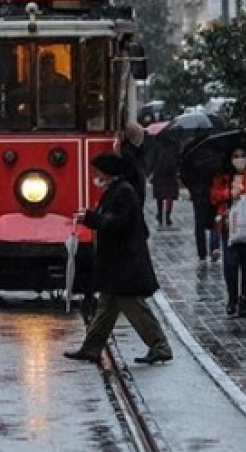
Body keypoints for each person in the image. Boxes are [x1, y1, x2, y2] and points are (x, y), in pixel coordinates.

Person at [64, 152, 173, 365]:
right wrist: (92, 218)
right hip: (117, 264)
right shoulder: (116, 190)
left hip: (124, 264)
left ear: (107, 173)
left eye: (96, 172)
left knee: (135, 306)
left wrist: (90, 218)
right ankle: (91, 348)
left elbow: (116, 222)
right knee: (105, 309)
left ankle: (160, 346)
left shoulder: (122, 192)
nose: (94, 176)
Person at [210, 146, 246, 317]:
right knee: (230, 264)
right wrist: (229, 193)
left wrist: (243, 191)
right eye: (236, 156)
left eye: (243, 155)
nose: (239, 159)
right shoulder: (223, 176)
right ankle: (232, 298)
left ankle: (244, 297)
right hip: (229, 226)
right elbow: (214, 196)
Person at [150, 137, 181, 227]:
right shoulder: (175, 145)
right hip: (171, 174)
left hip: (159, 173)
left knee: (160, 196)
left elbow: (152, 159)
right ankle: (167, 215)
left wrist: (151, 170)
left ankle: (160, 214)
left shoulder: (157, 145)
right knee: (169, 196)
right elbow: (178, 160)